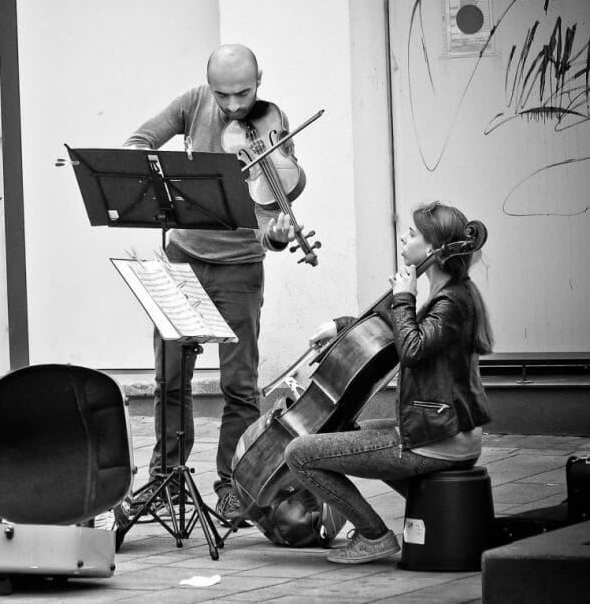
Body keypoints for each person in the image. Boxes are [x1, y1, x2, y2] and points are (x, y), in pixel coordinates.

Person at [116, 44, 295, 525]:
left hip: (240, 266)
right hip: (184, 259)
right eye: (224, 95)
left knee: (240, 384)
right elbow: (137, 143)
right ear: (208, 84)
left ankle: (233, 484)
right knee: (170, 378)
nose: (235, 106)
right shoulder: (192, 103)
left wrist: (276, 237)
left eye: (244, 92)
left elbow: (272, 213)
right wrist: (167, 183)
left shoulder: (272, 122)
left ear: (261, 78)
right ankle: (166, 477)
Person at [284, 201, 493, 564]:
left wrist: (403, 297)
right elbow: (398, 334)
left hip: (437, 440)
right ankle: (432, 516)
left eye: (411, 233)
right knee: (354, 432)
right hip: (440, 432)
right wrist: (341, 326)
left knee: (299, 453)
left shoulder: (452, 302)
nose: (402, 236)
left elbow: (410, 348)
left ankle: (373, 536)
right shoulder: (450, 294)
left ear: (432, 249)